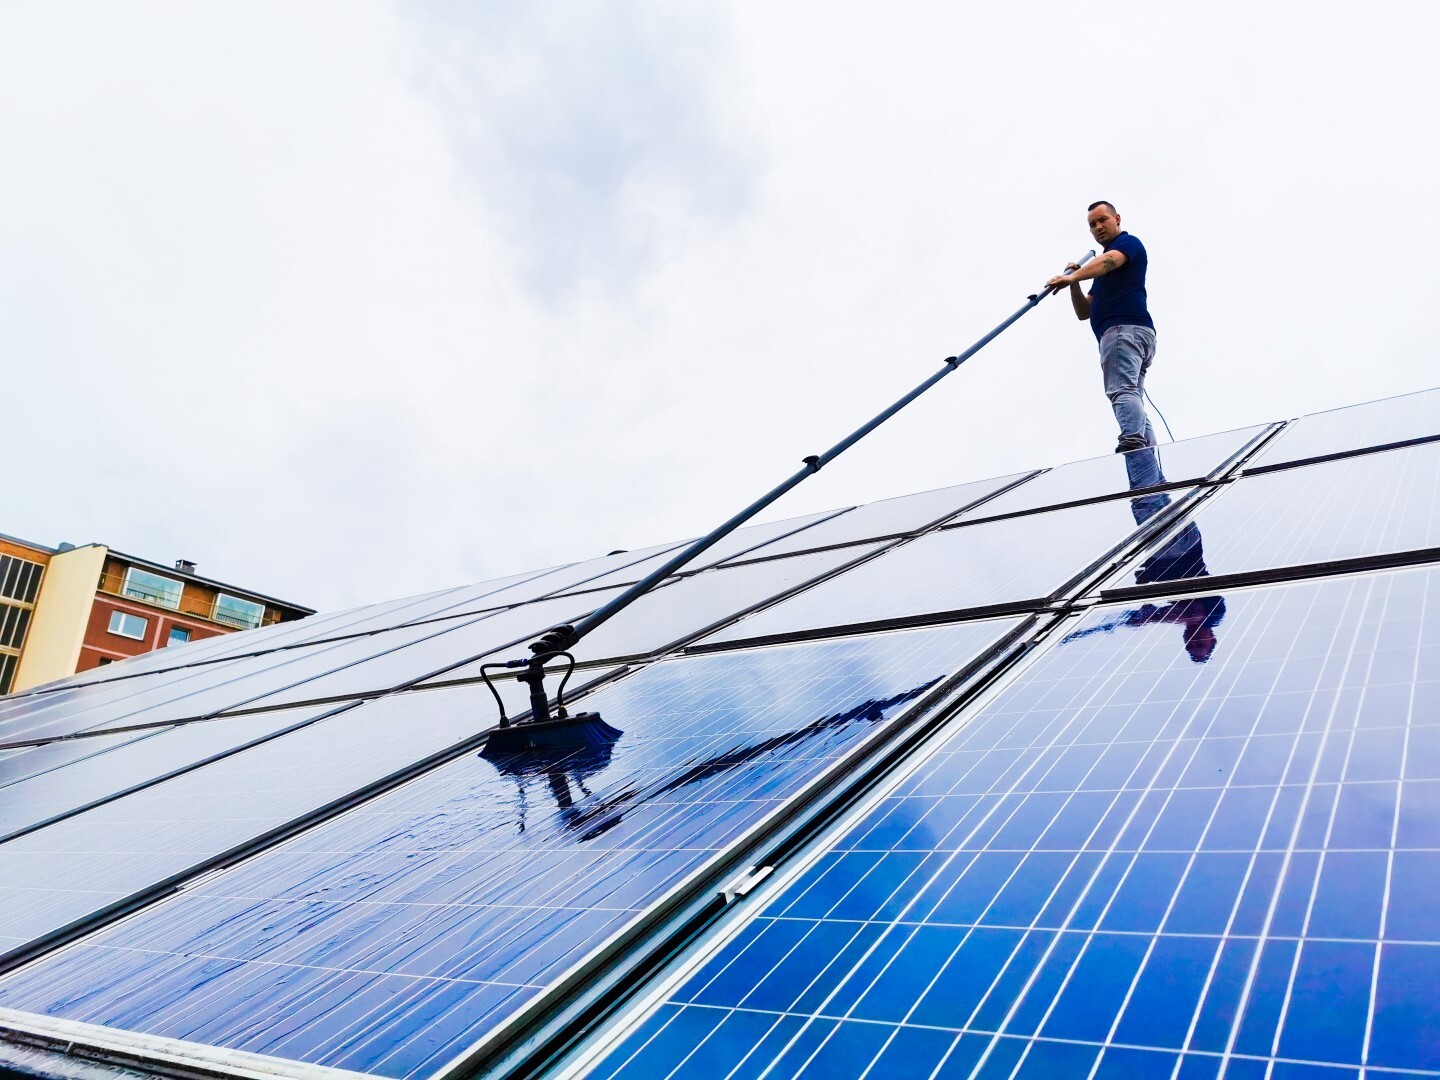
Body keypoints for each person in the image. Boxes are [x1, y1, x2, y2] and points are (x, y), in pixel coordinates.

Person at [1046, 201, 1157, 453]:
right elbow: (1084, 312)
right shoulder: (1098, 274)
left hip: (1123, 330)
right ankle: (1146, 455)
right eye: (1092, 225)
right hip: (1130, 333)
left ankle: (1132, 441)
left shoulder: (1127, 244)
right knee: (1131, 395)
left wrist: (1074, 275)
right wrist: (1074, 283)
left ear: (1117, 218)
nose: (1098, 227)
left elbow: (1111, 260)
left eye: (1102, 220)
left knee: (1122, 390)